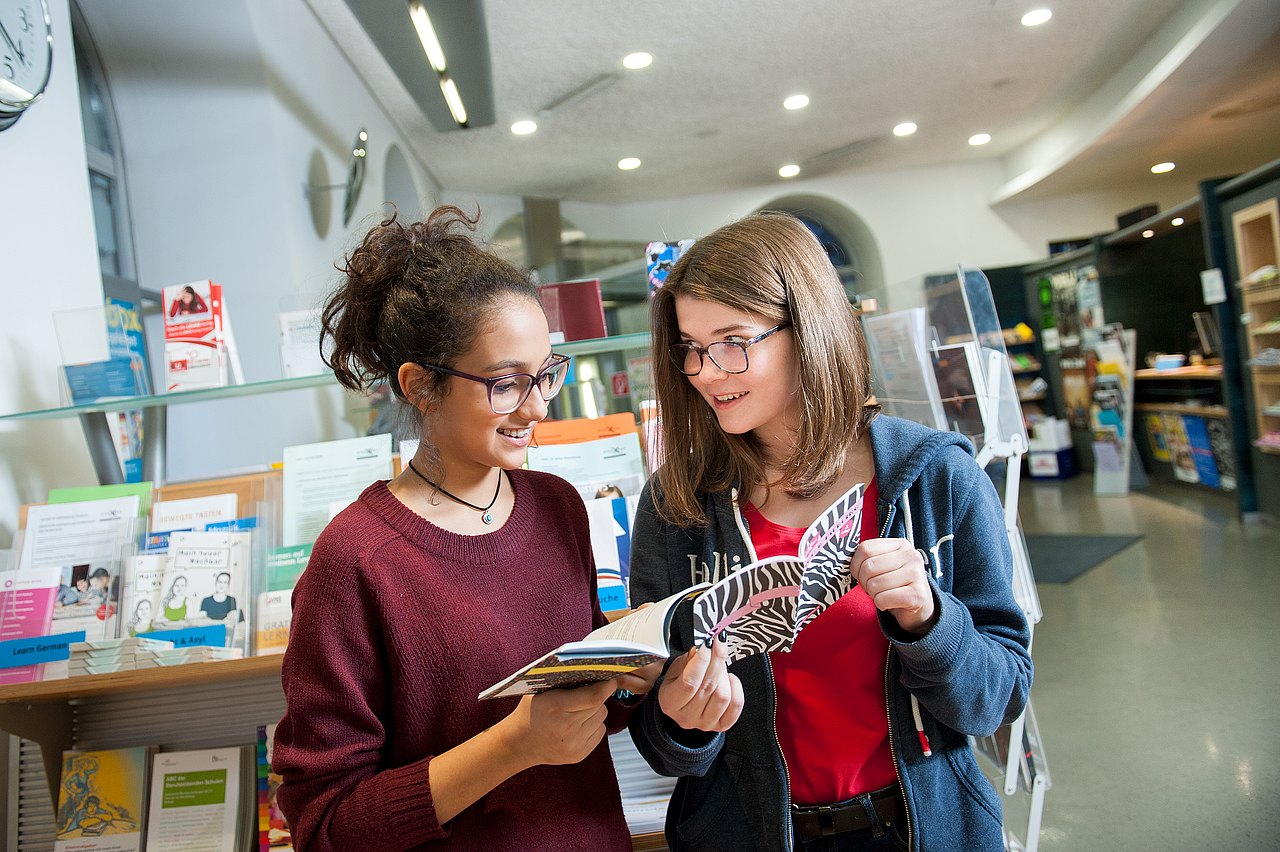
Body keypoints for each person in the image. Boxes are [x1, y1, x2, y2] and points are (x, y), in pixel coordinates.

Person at [627, 211, 1033, 851]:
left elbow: (996, 700)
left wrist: (929, 621)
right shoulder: (677, 506)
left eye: (733, 341)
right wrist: (683, 722)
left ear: (808, 330)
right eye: (691, 348)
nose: (706, 371)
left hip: (918, 830)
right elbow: (661, 745)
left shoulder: (936, 479)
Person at [272, 205, 659, 852]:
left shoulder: (558, 506)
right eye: (505, 384)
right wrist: (512, 746)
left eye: (546, 374)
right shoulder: (356, 560)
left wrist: (630, 678)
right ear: (419, 385)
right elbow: (326, 825)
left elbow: (578, 714)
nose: (538, 407)